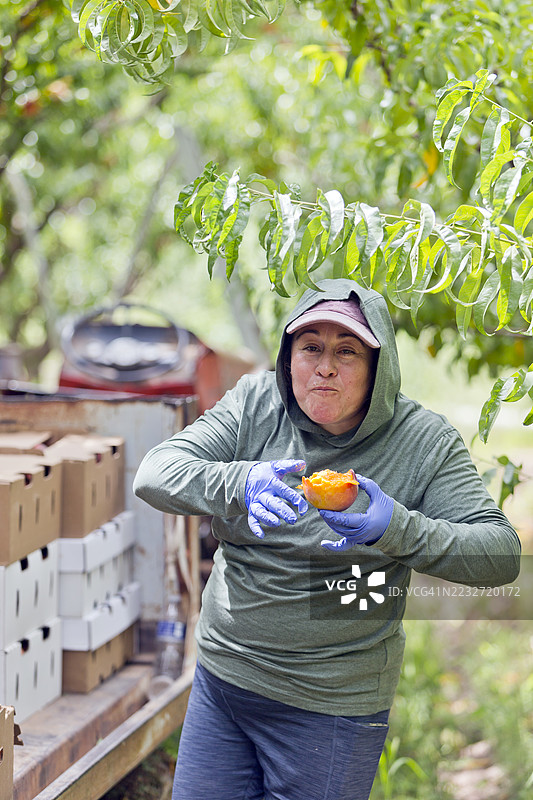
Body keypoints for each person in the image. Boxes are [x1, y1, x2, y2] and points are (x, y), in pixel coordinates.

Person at [133, 278, 521, 800]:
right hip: (224, 683)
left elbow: (500, 555)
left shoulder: (423, 442)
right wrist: (238, 482)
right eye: (310, 346)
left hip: (331, 706)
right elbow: (154, 472)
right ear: (288, 356)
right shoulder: (257, 403)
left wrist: (397, 530)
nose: (325, 366)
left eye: (347, 351)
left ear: (379, 369)